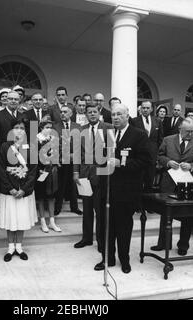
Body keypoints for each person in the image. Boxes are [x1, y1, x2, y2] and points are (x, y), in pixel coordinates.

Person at [94, 104, 152, 274]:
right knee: (107, 227)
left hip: (126, 191)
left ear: (127, 116)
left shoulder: (139, 135)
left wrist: (122, 163)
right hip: (107, 189)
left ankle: (124, 260)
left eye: (119, 114)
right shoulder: (108, 134)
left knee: (123, 227)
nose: (116, 117)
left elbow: (145, 161)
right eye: (113, 115)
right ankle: (108, 259)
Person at [151, 118, 193, 255]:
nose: (190, 134)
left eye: (192, 132)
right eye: (187, 131)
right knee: (165, 213)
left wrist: (192, 166)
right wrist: (168, 162)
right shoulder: (167, 140)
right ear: (180, 130)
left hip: (188, 183)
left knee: (187, 215)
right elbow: (159, 155)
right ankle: (163, 243)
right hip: (169, 182)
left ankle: (183, 245)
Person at [73, 104, 113, 252]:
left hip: (101, 175)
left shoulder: (108, 128)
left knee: (100, 210)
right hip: (84, 175)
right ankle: (87, 238)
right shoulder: (81, 130)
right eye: (89, 112)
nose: (92, 114)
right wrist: (75, 173)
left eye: (94, 112)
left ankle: (101, 241)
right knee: (87, 208)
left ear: (99, 113)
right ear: (86, 115)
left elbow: (111, 152)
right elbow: (77, 154)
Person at [0, 119, 38, 261]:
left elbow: (33, 171)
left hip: (24, 190)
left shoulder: (31, 146)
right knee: (11, 218)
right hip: (10, 189)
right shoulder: (4, 146)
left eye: (22, 128)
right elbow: (1, 169)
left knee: (21, 218)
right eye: (16, 127)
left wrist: (24, 189)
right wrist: (10, 189)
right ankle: (10, 247)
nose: (19, 130)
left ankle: (19, 246)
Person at [53, 105, 82, 216]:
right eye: (61, 112)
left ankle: (74, 207)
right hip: (61, 160)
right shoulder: (55, 127)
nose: (62, 114)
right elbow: (54, 144)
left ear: (71, 114)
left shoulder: (78, 126)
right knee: (60, 185)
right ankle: (57, 207)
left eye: (65, 112)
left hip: (74, 160)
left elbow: (80, 144)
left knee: (73, 184)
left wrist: (74, 155)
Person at [130, 101, 163, 192]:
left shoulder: (157, 121)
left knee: (149, 182)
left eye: (147, 108)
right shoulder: (134, 121)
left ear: (151, 109)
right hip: (138, 157)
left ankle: (148, 203)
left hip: (152, 157)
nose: (145, 110)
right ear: (140, 109)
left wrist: (158, 156)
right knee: (138, 181)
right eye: (143, 108)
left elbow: (160, 140)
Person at [35, 120, 61, 233]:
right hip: (41, 171)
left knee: (51, 196)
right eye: (46, 127)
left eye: (50, 127)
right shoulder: (36, 139)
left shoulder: (54, 139)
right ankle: (42, 222)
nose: (49, 129)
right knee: (41, 197)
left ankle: (52, 221)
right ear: (41, 128)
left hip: (52, 171)